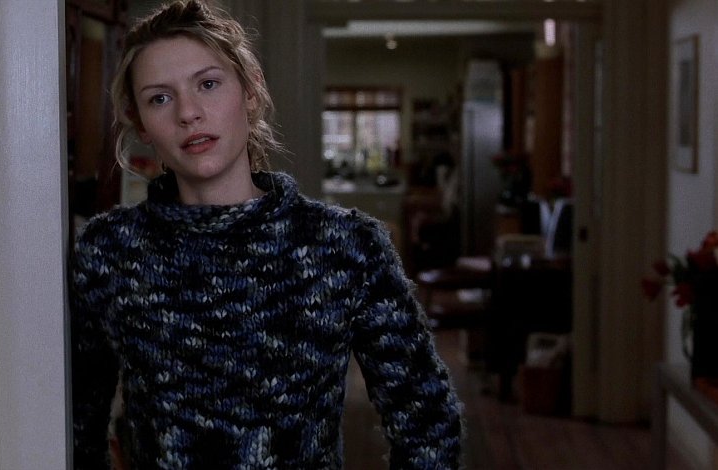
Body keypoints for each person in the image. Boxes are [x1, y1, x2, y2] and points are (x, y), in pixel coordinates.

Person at [70, 1, 463, 469]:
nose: (189, 113)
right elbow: (77, 427)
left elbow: (428, 422)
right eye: (160, 98)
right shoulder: (109, 251)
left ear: (251, 92)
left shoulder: (344, 246)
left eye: (208, 84)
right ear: (141, 125)